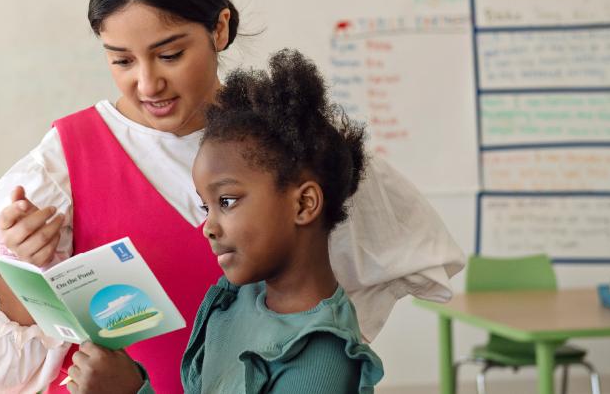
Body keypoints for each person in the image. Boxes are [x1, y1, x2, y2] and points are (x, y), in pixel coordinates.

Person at [0, 0, 464, 393]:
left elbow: (379, 267)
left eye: (169, 54)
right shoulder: (63, 162)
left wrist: (311, 344)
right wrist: (23, 265)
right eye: (120, 60)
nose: (147, 83)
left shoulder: (281, 139)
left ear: (219, 29)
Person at [67, 49, 384, 393]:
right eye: (206, 207)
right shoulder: (235, 300)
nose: (209, 227)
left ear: (304, 204)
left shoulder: (320, 356)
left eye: (227, 201)